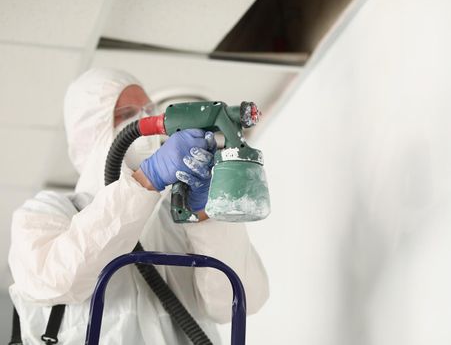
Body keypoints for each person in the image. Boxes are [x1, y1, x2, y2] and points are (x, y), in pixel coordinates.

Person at [8, 68, 269, 344]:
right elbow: (54, 279)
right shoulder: (47, 212)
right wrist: (147, 180)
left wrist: (206, 217)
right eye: (127, 113)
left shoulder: (175, 214)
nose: (143, 119)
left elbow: (242, 300)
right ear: (90, 132)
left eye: (149, 109)